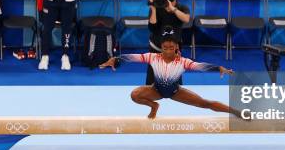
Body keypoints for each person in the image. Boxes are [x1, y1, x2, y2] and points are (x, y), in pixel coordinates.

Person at [100, 34, 239, 119]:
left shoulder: (184, 62)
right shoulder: (153, 57)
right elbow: (131, 57)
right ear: (161, 47)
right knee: (135, 95)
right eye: (165, 48)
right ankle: (153, 106)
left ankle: (235, 111)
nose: (167, 51)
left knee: (205, 103)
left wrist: (218, 68)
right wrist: (116, 59)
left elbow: (201, 66)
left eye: (171, 48)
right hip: (156, 90)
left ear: (176, 47)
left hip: (176, 92)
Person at [146, 0, 191, 84]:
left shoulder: (182, 8)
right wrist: (153, 8)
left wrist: (172, 8)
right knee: (151, 85)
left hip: (173, 50)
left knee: (176, 87)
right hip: (156, 48)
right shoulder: (157, 7)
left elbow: (186, 19)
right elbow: (152, 27)